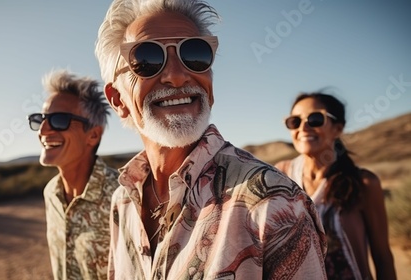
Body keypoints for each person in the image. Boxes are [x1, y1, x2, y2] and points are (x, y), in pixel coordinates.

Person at [94, 0, 327, 279]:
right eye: (147, 60)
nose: (177, 76)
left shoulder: (272, 203)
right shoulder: (123, 201)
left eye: (194, 54)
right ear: (118, 99)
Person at [275, 92, 397, 280]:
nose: (304, 127)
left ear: (338, 128)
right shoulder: (280, 176)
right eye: (295, 121)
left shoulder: (364, 183)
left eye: (315, 119)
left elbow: (382, 258)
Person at [27, 69, 119, 280]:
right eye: (40, 119)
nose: (43, 130)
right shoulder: (51, 193)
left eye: (59, 120)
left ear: (93, 134)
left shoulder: (124, 197)